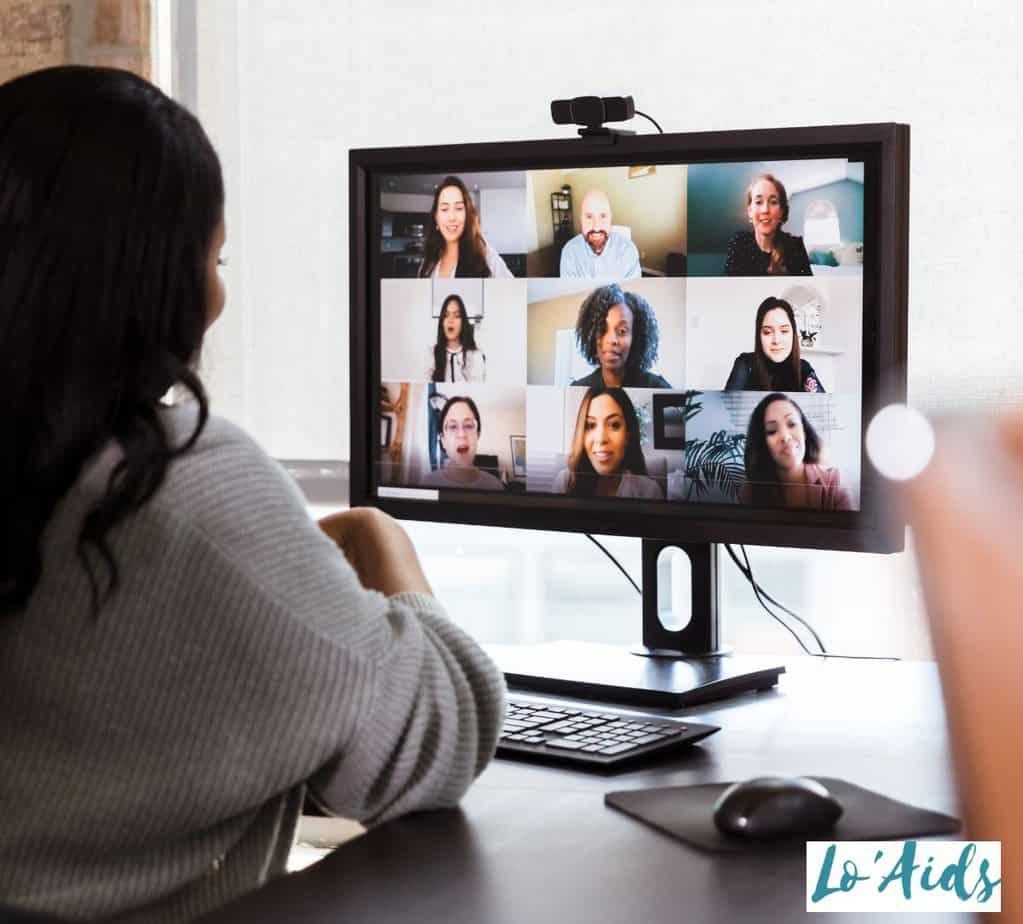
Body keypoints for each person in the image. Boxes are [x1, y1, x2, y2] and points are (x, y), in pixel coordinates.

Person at [0, 67, 505, 923]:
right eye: (215, 255)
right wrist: (384, 549)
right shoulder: (171, 479)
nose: (220, 294)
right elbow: (433, 740)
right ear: (156, 275)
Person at [741, 393, 853, 510]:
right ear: (762, 443)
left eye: (792, 424)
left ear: (804, 431)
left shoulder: (834, 482)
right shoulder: (751, 489)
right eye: (772, 430)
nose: (785, 436)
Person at [552, 386, 663, 498]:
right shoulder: (565, 482)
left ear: (628, 434)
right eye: (590, 425)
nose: (601, 439)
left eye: (614, 425)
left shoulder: (649, 491)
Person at [570, 284, 672, 388]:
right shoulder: (578, 389)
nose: (611, 340)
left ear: (635, 337)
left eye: (622, 331)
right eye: (602, 329)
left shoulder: (659, 388)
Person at [418, 175, 512, 279]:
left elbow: (513, 291)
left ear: (467, 215)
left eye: (458, 208)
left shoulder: (486, 256)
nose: (452, 217)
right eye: (444, 209)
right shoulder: (428, 263)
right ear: (436, 217)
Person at [724, 296, 825, 392]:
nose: (776, 340)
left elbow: (823, 406)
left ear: (793, 333)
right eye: (767, 332)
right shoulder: (746, 364)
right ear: (759, 336)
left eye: (784, 331)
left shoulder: (803, 368)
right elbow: (726, 407)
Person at [723, 173, 812, 276]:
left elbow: (805, 290)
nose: (765, 210)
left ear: (781, 212)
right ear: (750, 211)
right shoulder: (739, 242)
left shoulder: (796, 247)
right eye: (758, 202)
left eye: (773, 202)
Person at [420, 396, 505, 491]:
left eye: (468, 426)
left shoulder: (496, 487)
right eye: (452, 426)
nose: (462, 434)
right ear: (443, 440)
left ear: (478, 435)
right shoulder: (427, 484)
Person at [559, 188, 641, 278]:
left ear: (610, 218)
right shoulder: (570, 252)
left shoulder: (628, 251)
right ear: (581, 220)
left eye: (603, 216)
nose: (596, 227)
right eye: (589, 217)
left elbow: (633, 289)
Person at [429, 294, 486, 382]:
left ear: (463, 322)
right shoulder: (431, 354)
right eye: (446, 315)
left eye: (457, 316)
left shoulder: (475, 355)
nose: (450, 320)